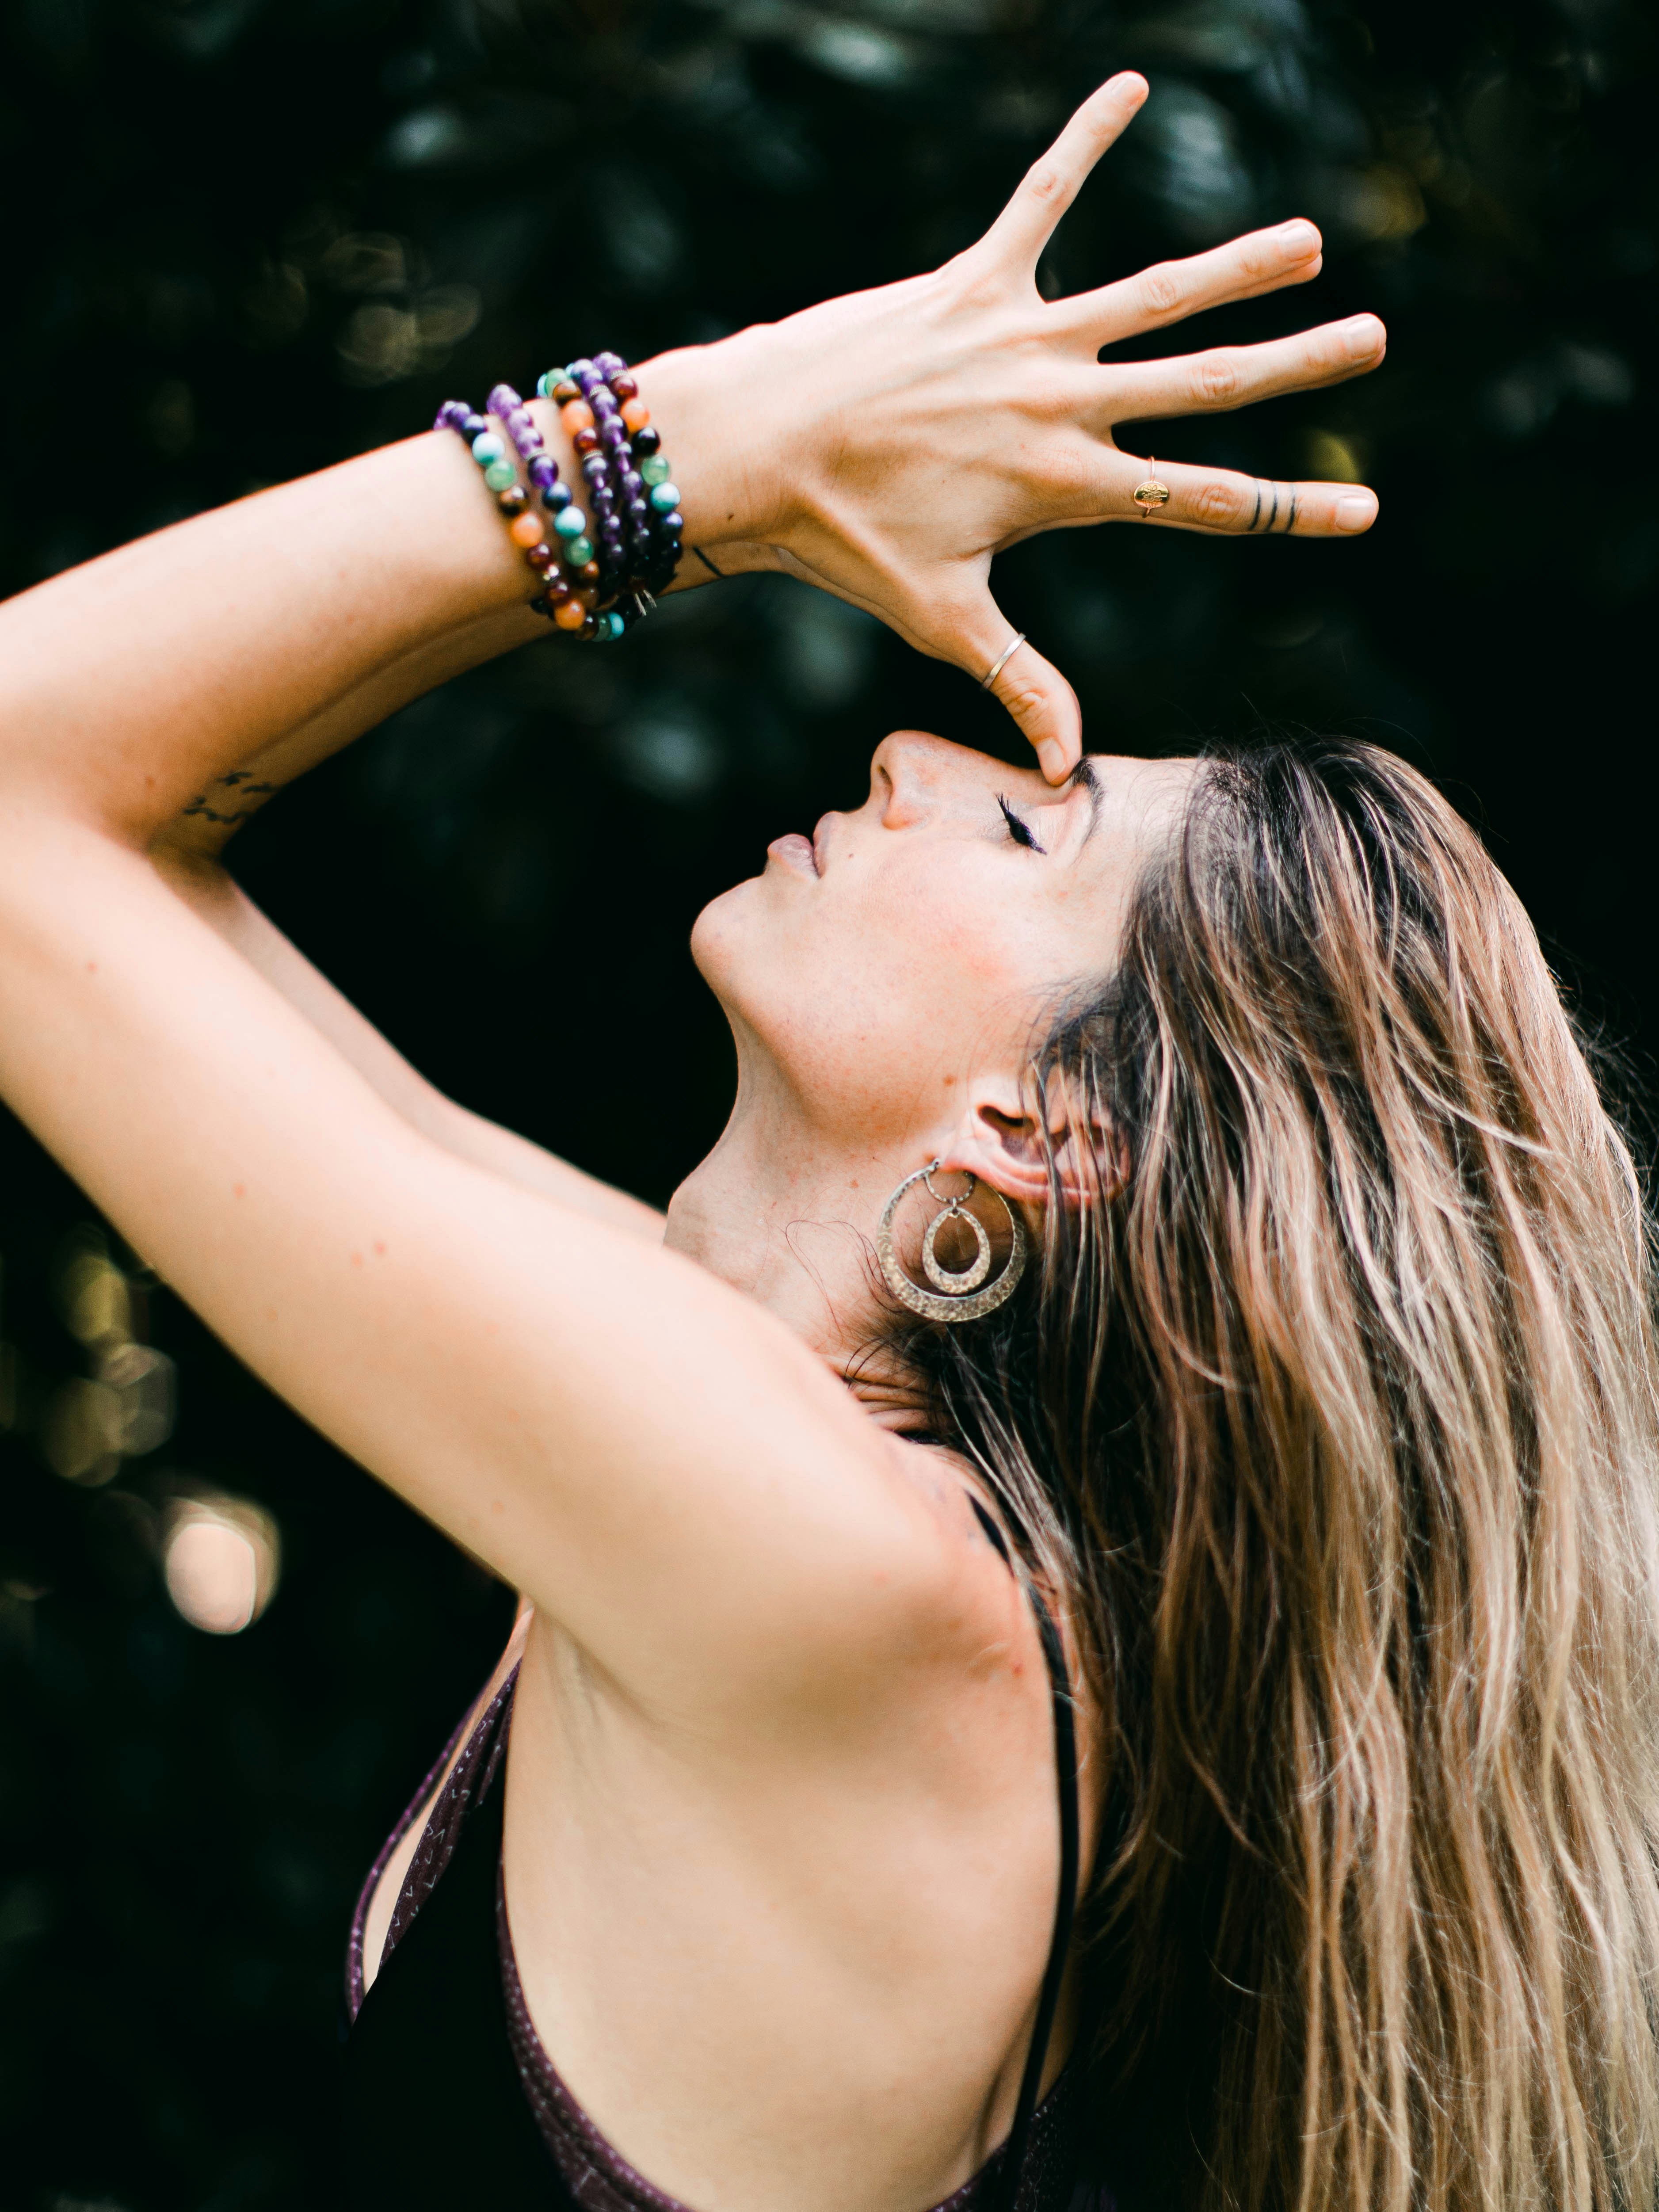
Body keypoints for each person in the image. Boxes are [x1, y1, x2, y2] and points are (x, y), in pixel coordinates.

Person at [2, 67, 1656, 2212]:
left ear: (1050, 1134)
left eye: (1034, 820)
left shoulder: (851, 1585)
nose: (905, 745)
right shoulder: (791, 1480)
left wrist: (714, 444)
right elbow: (121, 834)